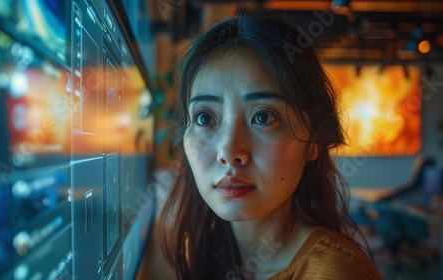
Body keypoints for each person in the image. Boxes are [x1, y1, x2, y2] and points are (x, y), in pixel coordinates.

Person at [138, 9, 382, 280]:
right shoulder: (199, 250)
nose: (229, 153)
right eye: (205, 118)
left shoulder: (334, 273)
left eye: (263, 117)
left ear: (313, 141)